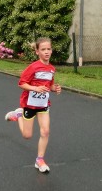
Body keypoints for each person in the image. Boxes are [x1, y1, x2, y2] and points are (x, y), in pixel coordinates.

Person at [4, 37, 62, 173]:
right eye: (43, 49)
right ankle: (19, 114)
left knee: (45, 131)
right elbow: (21, 83)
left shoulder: (52, 69)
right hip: (29, 104)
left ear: (51, 50)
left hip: (43, 104)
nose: (47, 52)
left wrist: (55, 88)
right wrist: (35, 89)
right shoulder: (33, 67)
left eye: (48, 49)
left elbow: (49, 85)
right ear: (37, 52)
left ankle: (39, 160)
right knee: (27, 135)